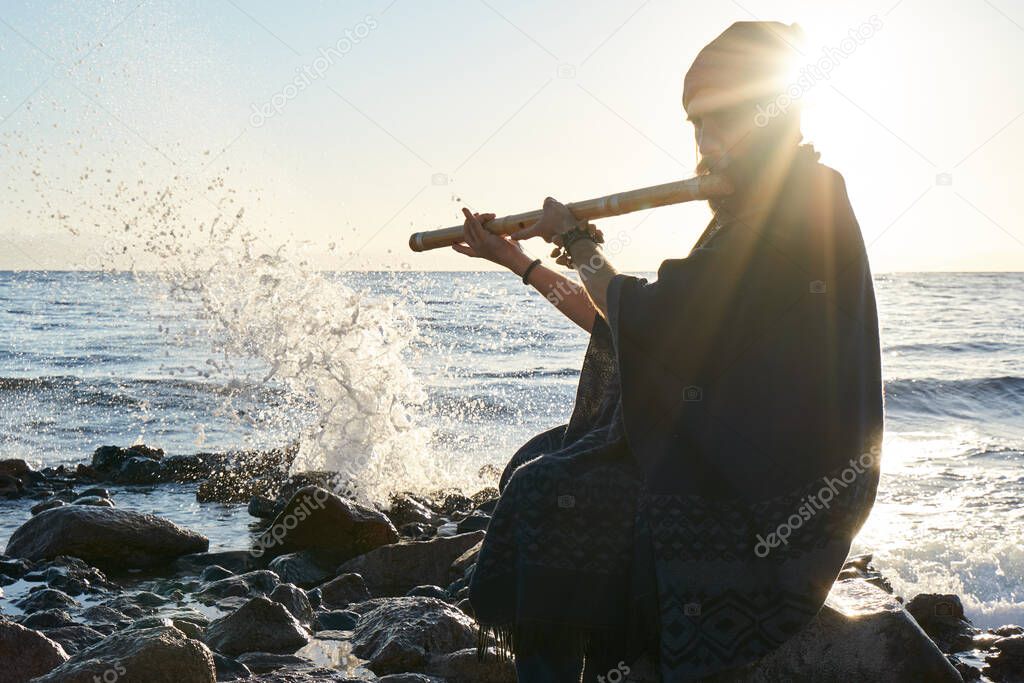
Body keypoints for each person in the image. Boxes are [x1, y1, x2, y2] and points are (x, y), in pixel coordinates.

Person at [452, 21, 884, 682]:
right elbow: (630, 324)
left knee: (548, 492)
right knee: (536, 457)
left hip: (773, 489)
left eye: (720, 123)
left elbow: (651, 318)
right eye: (696, 126)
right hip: (726, 447)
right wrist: (519, 259)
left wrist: (578, 241)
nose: (706, 145)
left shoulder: (802, 201)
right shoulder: (749, 212)